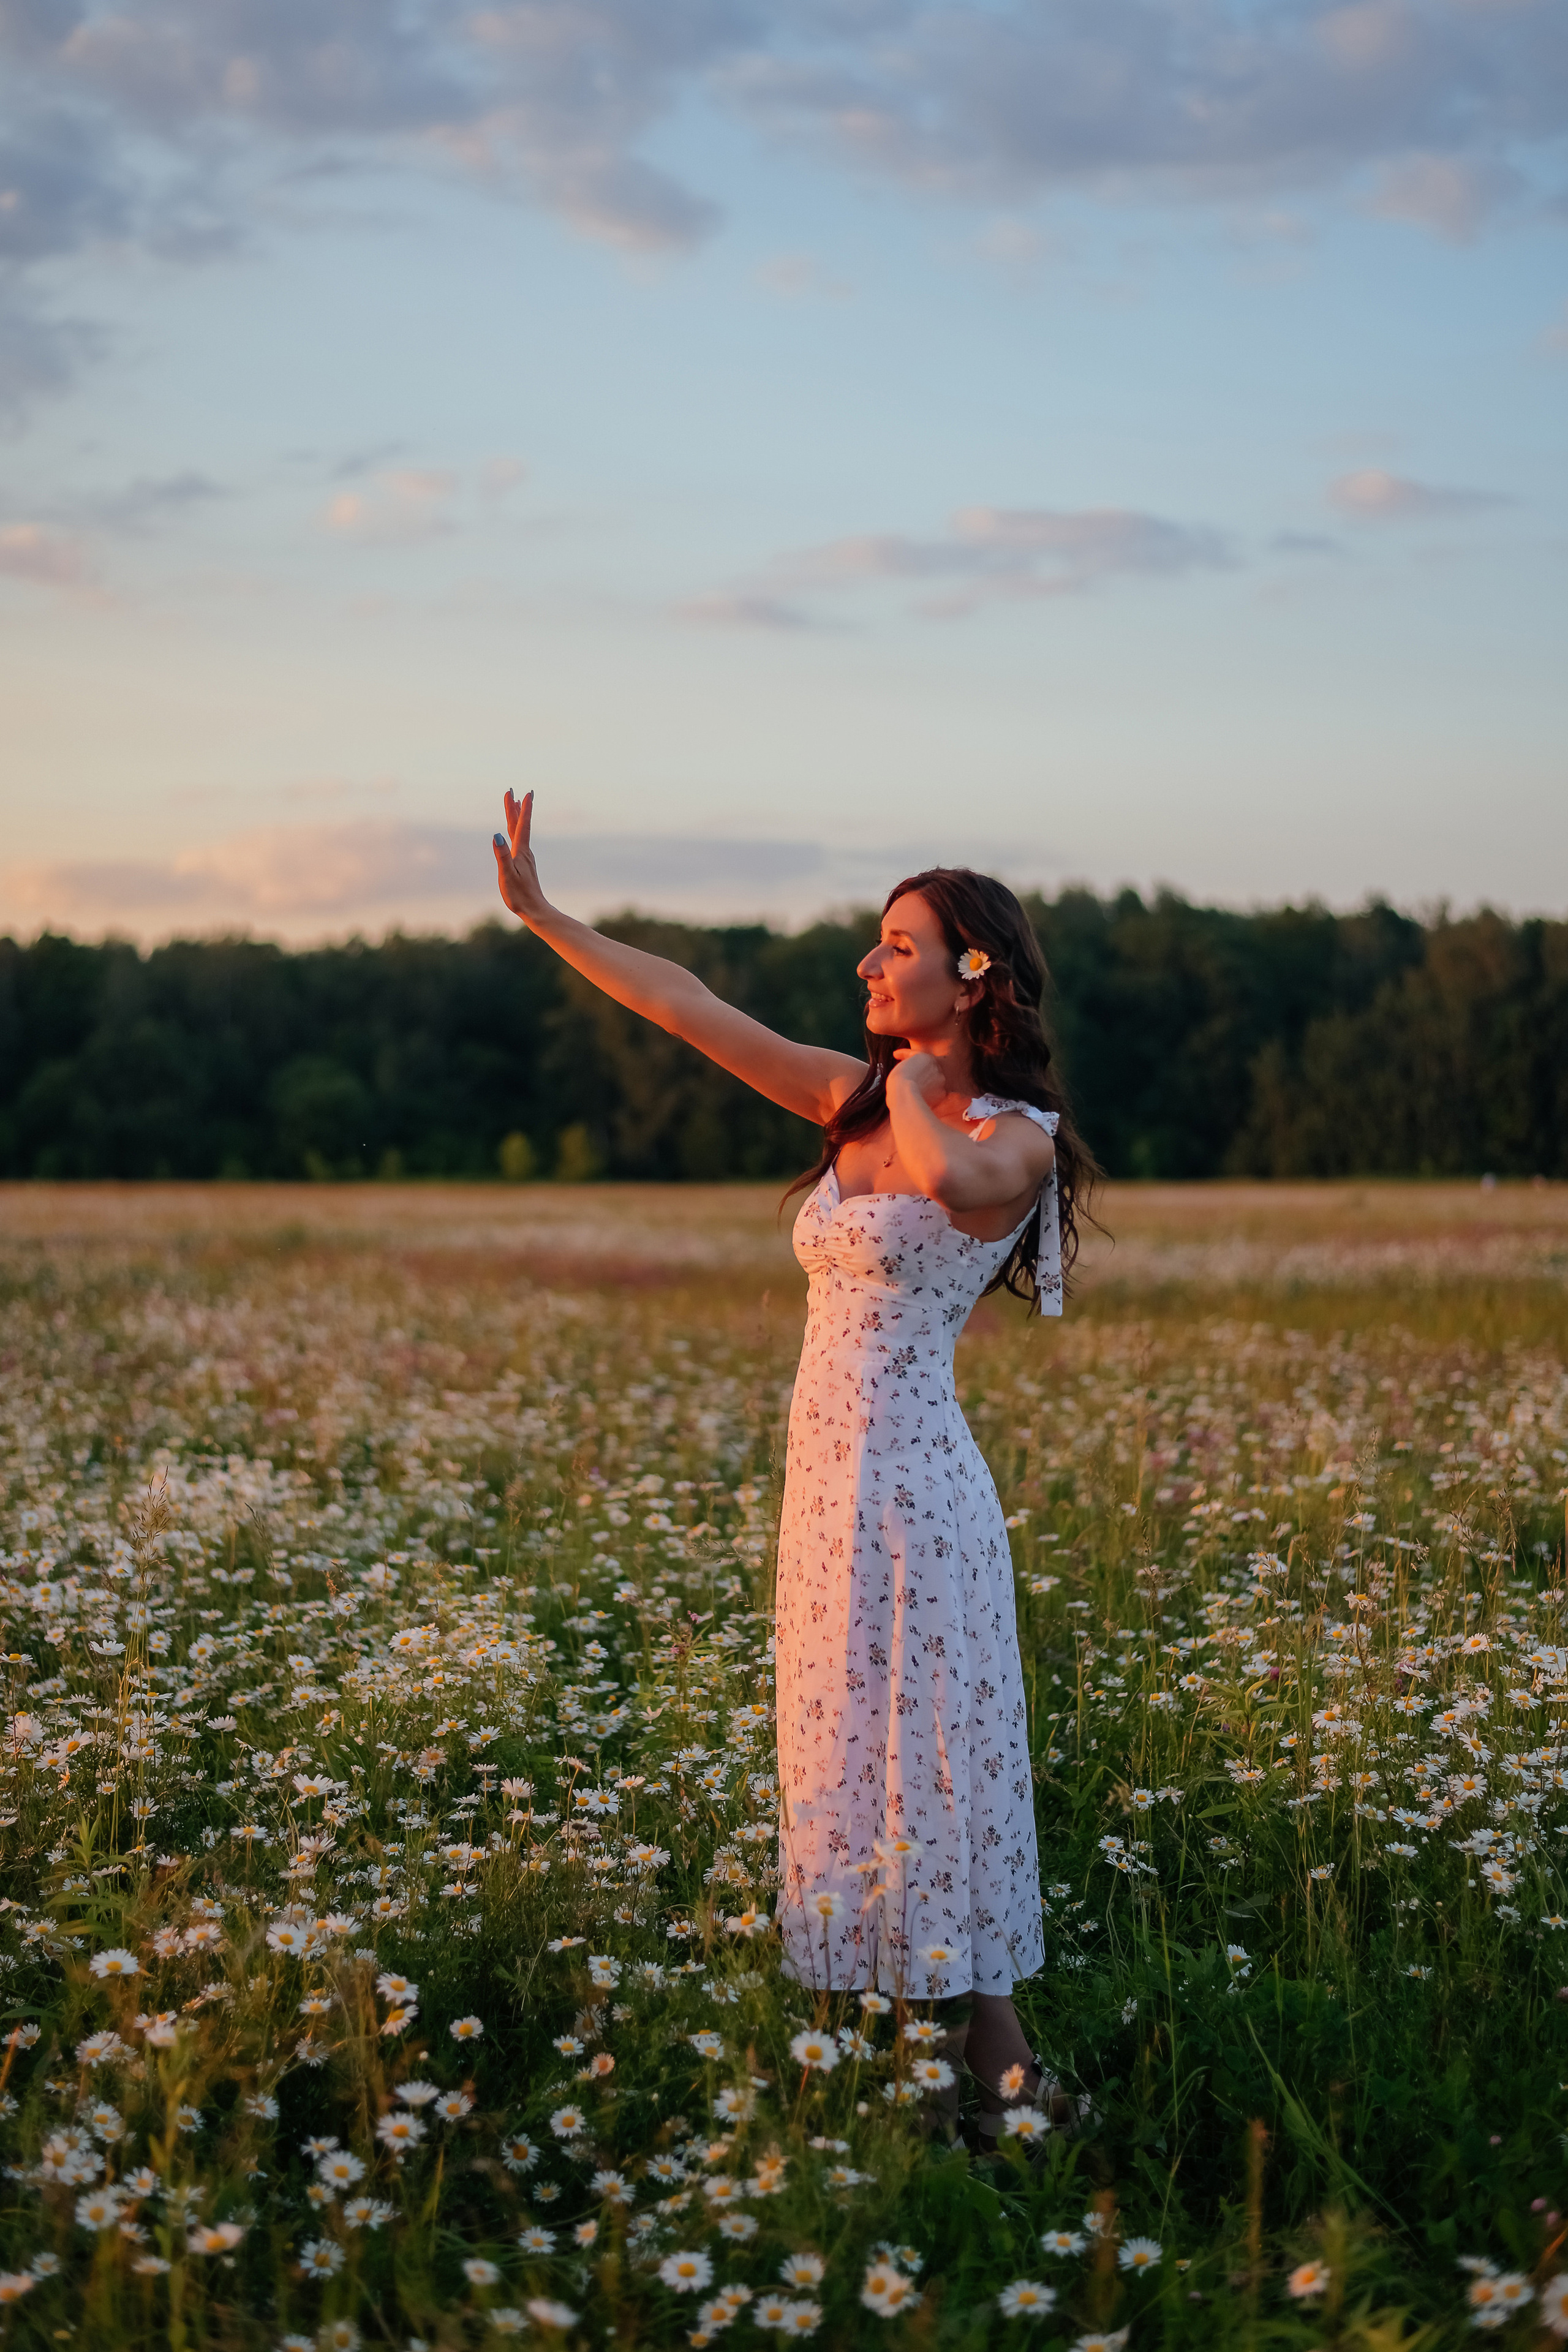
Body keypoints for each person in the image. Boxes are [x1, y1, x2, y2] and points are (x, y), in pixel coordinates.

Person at [492, 791, 1097, 2147]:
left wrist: (917, 1084)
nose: (868, 964)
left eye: (899, 946)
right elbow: (686, 1005)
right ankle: (1001, 2102)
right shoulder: (854, 1098)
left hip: (919, 1504)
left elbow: (950, 1185)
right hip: (826, 1502)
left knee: (927, 1781)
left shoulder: (1010, 1137)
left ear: (971, 977)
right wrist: (547, 919)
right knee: (855, 1772)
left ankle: (956, 2108)